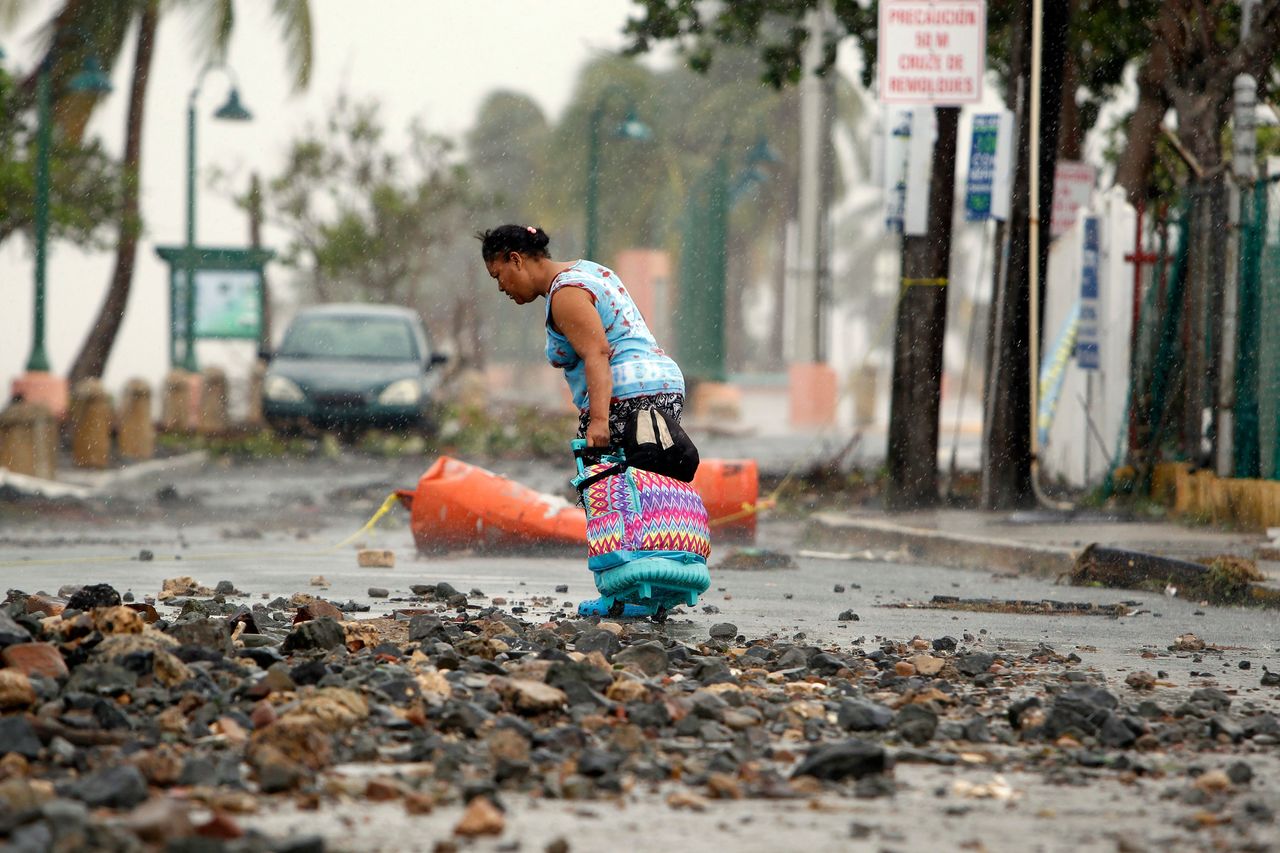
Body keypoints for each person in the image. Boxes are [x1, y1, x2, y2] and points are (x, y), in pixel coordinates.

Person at [477, 224, 686, 451]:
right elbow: (633, 321)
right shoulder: (591, 271)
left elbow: (597, 352)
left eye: (497, 275)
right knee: (650, 480)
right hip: (666, 385)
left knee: (604, 484)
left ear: (516, 260)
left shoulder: (565, 293)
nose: (500, 287)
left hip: (625, 394)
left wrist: (599, 421)